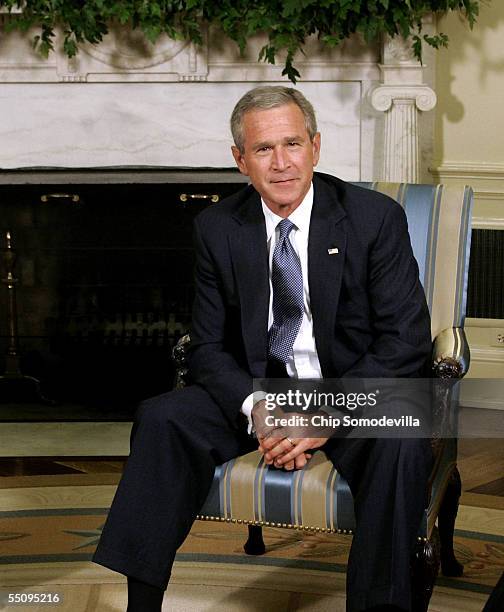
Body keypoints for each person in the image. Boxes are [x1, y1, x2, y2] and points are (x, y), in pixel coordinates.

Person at [93, 86, 433, 612]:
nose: (281, 164)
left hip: (352, 388)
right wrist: (262, 411)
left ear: (316, 147)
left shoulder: (373, 218)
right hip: (265, 389)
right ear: (239, 159)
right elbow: (206, 346)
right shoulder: (218, 227)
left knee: (400, 440)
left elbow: (405, 341)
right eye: (263, 149)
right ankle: (142, 603)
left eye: (293, 144)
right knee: (163, 416)